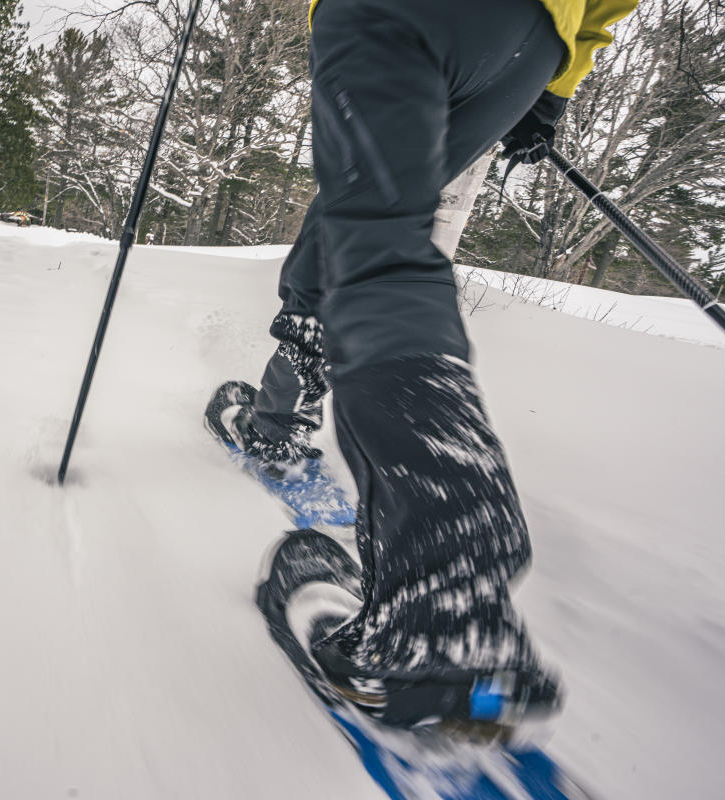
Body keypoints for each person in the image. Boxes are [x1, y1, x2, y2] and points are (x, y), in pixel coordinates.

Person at [208, 0, 637, 725]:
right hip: (528, 42)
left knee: (375, 242)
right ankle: (284, 412)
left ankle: (440, 611)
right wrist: (555, 86)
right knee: (373, 224)